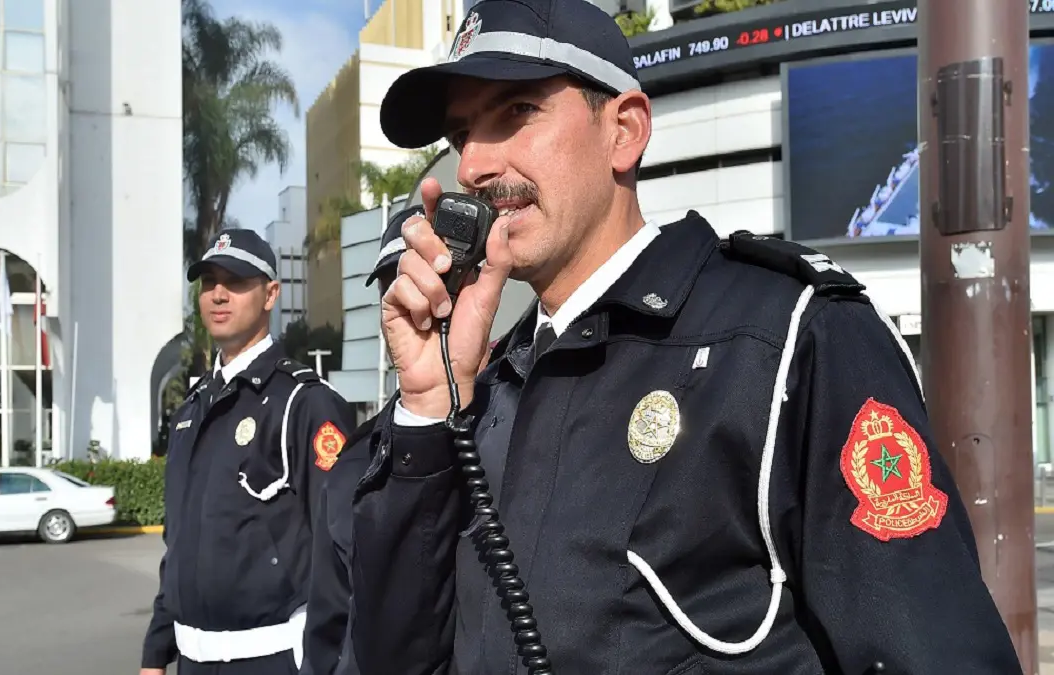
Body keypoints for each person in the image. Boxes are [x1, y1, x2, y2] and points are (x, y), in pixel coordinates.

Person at [347, 1, 1023, 674]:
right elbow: (392, 657)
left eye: (516, 112)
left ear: (624, 131)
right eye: (464, 134)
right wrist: (429, 409)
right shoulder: (481, 391)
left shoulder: (787, 341)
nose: (475, 166)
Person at [141, 228, 356, 675]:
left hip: (272, 658)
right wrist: (156, 651)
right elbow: (178, 542)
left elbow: (339, 549)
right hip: (192, 660)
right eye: (209, 283)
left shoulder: (305, 402)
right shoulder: (189, 410)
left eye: (236, 281)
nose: (219, 295)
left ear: (270, 294)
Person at [300, 204, 421, 675]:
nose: (412, 301)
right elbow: (328, 628)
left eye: (433, 277)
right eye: (394, 283)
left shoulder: (519, 425)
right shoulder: (355, 462)